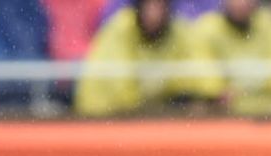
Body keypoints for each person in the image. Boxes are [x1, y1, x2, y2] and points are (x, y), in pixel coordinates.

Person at [75, 0, 219, 116]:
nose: (153, 14)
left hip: (151, 119)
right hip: (103, 119)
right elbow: (122, 94)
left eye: (159, 6)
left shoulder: (180, 31)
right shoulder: (120, 29)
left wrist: (204, 96)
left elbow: (204, 75)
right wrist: (162, 106)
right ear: (138, 8)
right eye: (148, 6)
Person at [193, 0, 271, 115]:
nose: (242, 3)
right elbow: (201, 71)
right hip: (222, 116)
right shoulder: (207, 27)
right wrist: (216, 90)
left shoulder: (270, 23)